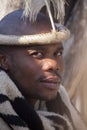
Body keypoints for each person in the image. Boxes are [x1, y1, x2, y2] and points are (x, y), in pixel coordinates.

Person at [0, 1, 86, 130]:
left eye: (58, 53)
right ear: (3, 61)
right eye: (37, 53)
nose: (53, 64)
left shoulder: (62, 107)